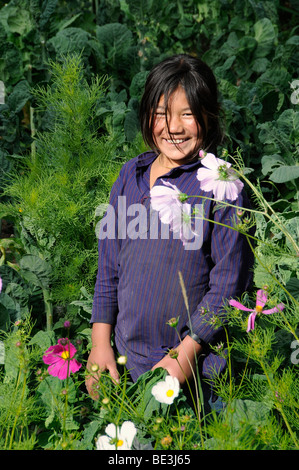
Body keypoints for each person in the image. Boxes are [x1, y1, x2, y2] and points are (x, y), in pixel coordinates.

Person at [85, 54, 254, 405]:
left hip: (197, 375)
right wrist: (99, 345)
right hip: (126, 371)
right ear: (147, 114)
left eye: (187, 114)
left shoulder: (222, 185)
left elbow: (228, 287)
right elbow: (109, 271)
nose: (173, 127)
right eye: (161, 113)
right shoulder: (130, 176)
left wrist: (184, 355)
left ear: (208, 116)